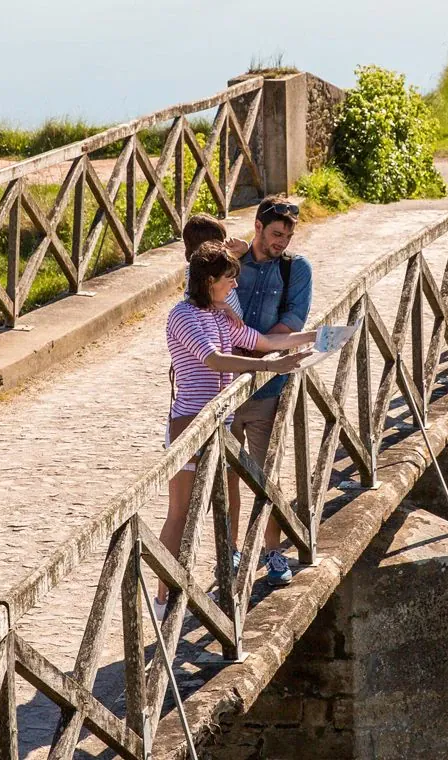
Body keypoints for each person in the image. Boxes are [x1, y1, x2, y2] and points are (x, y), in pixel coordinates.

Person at [160, 242, 314, 616]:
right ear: (209, 280)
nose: (234, 286)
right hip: (190, 424)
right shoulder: (182, 316)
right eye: (229, 278)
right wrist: (269, 367)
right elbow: (214, 360)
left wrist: (314, 337)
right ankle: (164, 599)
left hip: (220, 425)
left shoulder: (220, 315)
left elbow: (264, 341)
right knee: (180, 512)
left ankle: (193, 590)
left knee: (208, 510)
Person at [228, 196, 312, 586]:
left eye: (288, 236)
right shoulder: (230, 263)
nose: (282, 242)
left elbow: (292, 323)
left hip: (268, 387)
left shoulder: (296, 269)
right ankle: (230, 549)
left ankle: (272, 550)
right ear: (257, 227)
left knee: (267, 475)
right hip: (223, 389)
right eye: (277, 233)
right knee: (225, 475)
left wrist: (251, 351)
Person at [182, 213, 249, 324]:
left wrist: (244, 247)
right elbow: (195, 301)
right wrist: (226, 307)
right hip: (222, 328)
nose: (224, 245)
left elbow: (236, 257)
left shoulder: (218, 264)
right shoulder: (194, 273)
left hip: (234, 324)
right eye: (220, 243)